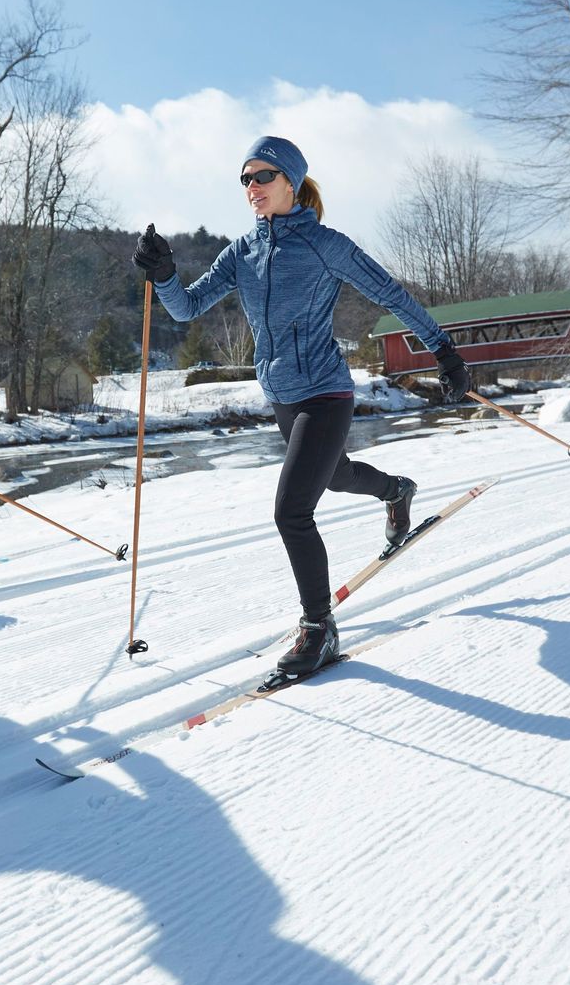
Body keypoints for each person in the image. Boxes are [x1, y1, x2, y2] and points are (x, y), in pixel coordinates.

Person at [133, 135, 469, 682]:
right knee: (333, 475)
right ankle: (396, 490)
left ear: (291, 180)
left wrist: (444, 349)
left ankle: (319, 626)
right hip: (282, 396)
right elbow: (186, 307)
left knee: (292, 511)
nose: (252, 188)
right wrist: (165, 272)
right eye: (245, 179)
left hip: (326, 392)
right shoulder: (241, 252)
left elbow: (391, 294)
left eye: (262, 176)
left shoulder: (325, 244)